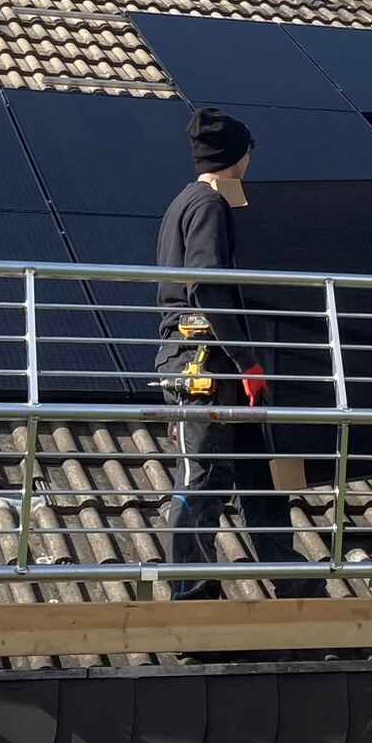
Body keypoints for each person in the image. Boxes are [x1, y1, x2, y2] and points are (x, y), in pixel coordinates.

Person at [156, 108, 323, 601]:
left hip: (210, 363)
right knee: (204, 478)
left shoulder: (182, 204)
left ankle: (295, 585)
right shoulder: (208, 204)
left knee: (260, 476)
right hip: (206, 365)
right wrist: (247, 360)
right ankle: (191, 597)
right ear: (239, 155)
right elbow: (208, 287)